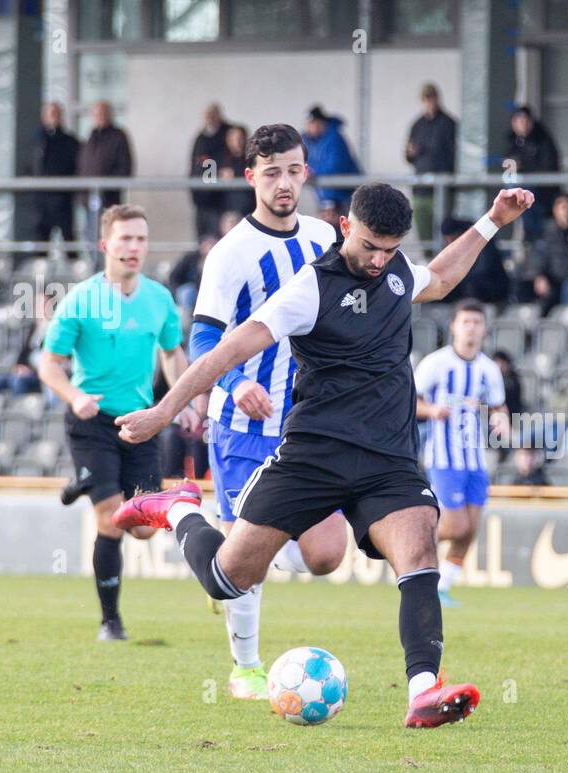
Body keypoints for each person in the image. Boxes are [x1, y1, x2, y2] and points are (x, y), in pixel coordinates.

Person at [111, 182, 535, 729]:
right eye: (369, 247)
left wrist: (493, 220)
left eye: (390, 248)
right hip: (312, 455)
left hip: (388, 459)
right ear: (344, 229)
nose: (379, 261)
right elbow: (226, 350)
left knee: (419, 554)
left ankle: (423, 690)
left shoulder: (399, 270)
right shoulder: (308, 289)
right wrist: (164, 412)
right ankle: (178, 509)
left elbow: (446, 276)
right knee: (227, 579)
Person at [186, 123, 347, 698]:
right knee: (246, 570)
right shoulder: (231, 253)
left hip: (308, 426)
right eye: (272, 172)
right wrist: (232, 384)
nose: (284, 183)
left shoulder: (326, 241)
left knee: (327, 555)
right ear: (251, 176)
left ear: (306, 173)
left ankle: (232, 558)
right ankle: (246, 668)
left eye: (294, 170)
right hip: (243, 429)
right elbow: (201, 341)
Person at [36, 204, 198, 644]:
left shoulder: (159, 299)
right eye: (125, 239)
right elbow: (49, 365)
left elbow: (171, 353)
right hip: (92, 424)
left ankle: (84, 482)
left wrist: (181, 400)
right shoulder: (81, 300)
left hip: (141, 425)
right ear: (106, 244)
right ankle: (111, 621)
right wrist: (74, 395)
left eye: (141, 239)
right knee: (110, 520)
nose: (134, 247)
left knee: (144, 528)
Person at [414, 300, 509, 607]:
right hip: (444, 458)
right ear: (454, 326)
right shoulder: (436, 364)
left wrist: (501, 419)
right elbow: (409, 402)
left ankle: (442, 588)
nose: (471, 327)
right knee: (455, 526)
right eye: (466, 321)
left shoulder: (488, 369)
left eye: (477, 322)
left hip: (475, 459)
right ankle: (411, 551)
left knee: (470, 530)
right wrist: (431, 410)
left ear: (484, 328)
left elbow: (498, 405)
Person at [405, 83, 457, 244]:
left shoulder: (448, 123)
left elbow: (453, 155)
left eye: (431, 98)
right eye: (426, 99)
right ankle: (429, 260)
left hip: (442, 188)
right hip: (421, 189)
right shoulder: (417, 125)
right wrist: (410, 152)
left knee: (444, 231)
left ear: (437, 99)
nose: (429, 102)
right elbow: (408, 155)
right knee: (423, 230)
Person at [504, 105, 560, 241]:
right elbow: (509, 170)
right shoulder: (512, 142)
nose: (522, 125)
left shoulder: (543, 140)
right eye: (518, 121)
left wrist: (523, 166)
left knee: (541, 233)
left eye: (525, 121)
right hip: (523, 196)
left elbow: (548, 167)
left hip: (543, 195)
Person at [32, 102, 80, 246]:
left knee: (69, 241)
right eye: (50, 114)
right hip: (41, 201)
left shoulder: (70, 142)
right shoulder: (36, 141)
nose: (53, 117)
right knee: (40, 243)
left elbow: (75, 167)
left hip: (62, 200)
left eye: (56, 114)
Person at [524, 192, 568, 313]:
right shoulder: (546, 232)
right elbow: (538, 255)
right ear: (555, 210)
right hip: (552, 278)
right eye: (563, 207)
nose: (566, 211)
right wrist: (539, 275)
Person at [303, 105, 360, 218]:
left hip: (344, 196)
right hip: (323, 197)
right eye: (309, 124)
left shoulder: (335, 138)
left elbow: (336, 166)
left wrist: (313, 172)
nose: (312, 127)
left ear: (323, 123)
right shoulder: (306, 139)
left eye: (315, 123)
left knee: (345, 228)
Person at [78, 101, 135, 213]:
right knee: (91, 229)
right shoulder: (91, 136)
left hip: (110, 199)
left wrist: (109, 186)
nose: (100, 116)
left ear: (110, 115)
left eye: (103, 113)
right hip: (89, 197)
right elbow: (82, 164)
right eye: (97, 114)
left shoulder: (118, 136)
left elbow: (125, 167)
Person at [439, 217, 508, 305]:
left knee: (472, 283)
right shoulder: (454, 246)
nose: (450, 242)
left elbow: (484, 268)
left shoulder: (480, 238)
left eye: (452, 238)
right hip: (468, 283)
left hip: (490, 285)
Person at [189, 103, 231, 239]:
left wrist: (217, 172)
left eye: (212, 115)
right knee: (203, 237)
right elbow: (195, 164)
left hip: (222, 198)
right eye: (207, 116)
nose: (209, 119)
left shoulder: (227, 134)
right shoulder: (201, 137)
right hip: (202, 196)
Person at [218, 125, 254, 217]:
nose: (236, 142)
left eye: (239, 138)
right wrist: (219, 175)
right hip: (227, 211)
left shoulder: (252, 159)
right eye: (232, 139)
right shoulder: (220, 159)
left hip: (249, 210)